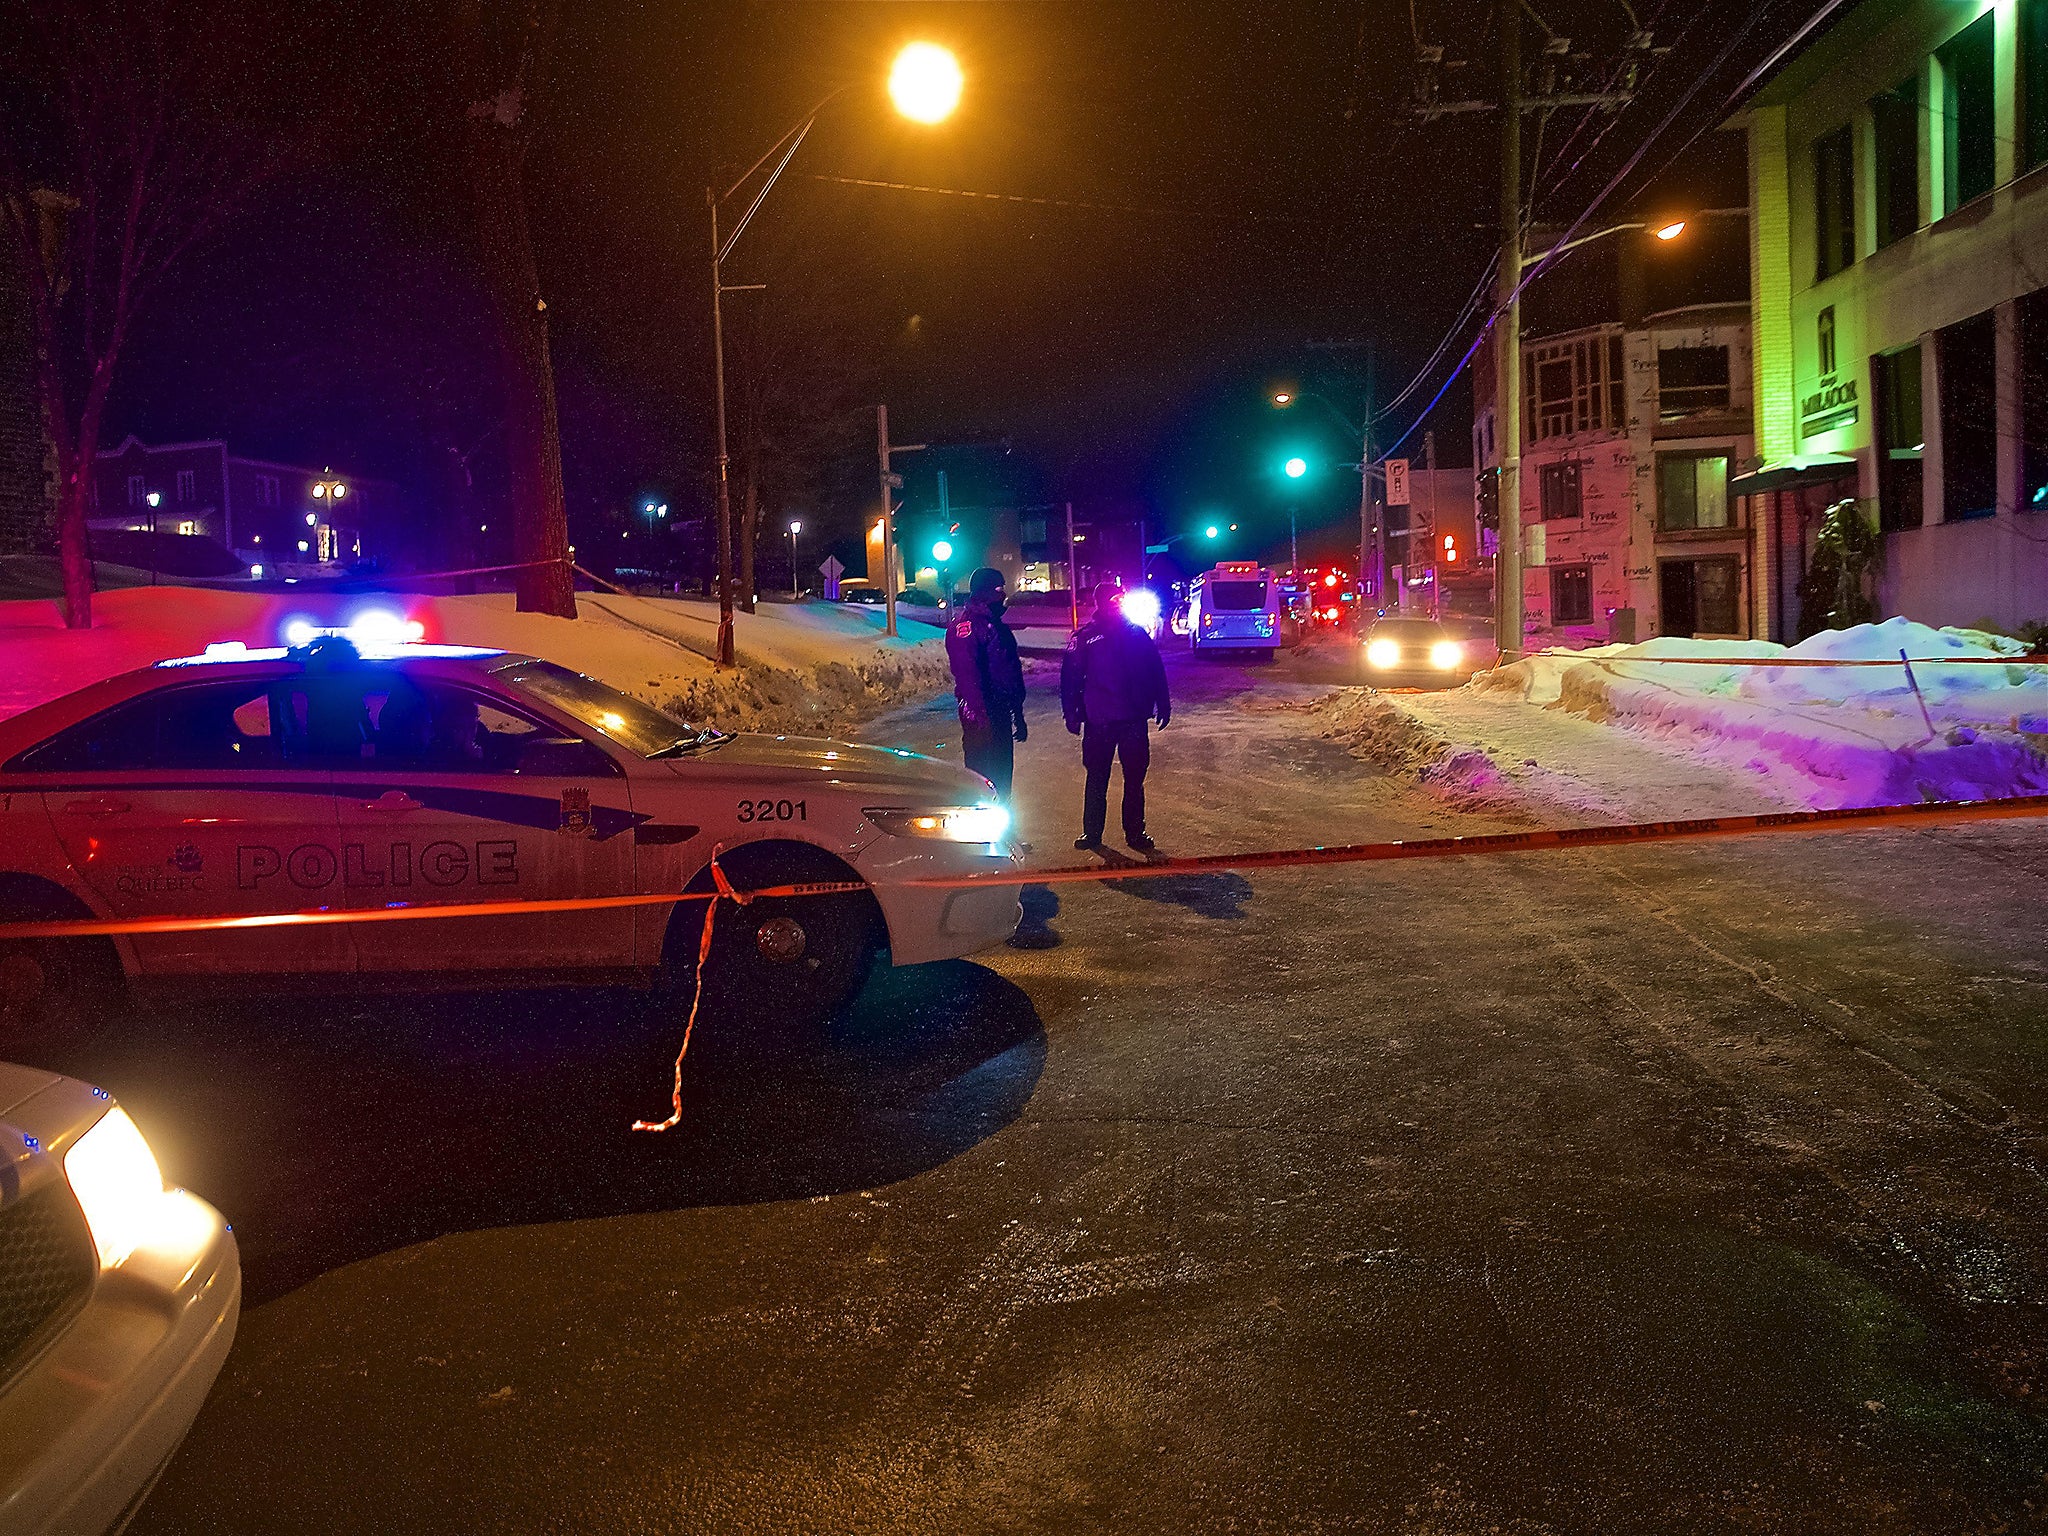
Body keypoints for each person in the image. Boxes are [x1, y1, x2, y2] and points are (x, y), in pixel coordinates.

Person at [1061, 582, 1171, 853]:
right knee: (1097, 777)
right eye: (1113, 598)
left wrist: (1163, 703)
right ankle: (1092, 833)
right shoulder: (1085, 637)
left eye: (1120, 598)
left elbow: (1155, 669)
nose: (1118, 603)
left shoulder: (1136, 634)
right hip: (1099, 720)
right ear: (1100, 602)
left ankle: (1135, 832)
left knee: (1134, 779)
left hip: (1133, 719)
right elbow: (1071, 678)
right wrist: (1072, 713)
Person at [945, 566, 1028, 802]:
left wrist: (1017, 713)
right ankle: (982, 836)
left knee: (1002, 778)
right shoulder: (967, 627)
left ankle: (1003, 835)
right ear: (984, 592)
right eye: (998, 589)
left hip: (999, 711)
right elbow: (966, 674)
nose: (1003, 594)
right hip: (981, 714)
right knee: (982, 783)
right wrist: (979, 716)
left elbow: (1010, 671)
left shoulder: (995, 625)